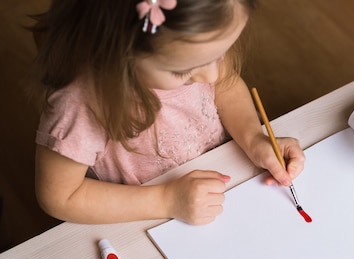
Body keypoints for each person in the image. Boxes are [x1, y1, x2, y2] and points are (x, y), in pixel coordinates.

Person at [31, 0, 305, 225]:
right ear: (118, 55)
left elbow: (225, 86)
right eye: (183, 71)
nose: (210, 75)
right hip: (140, 218)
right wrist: (166, 200)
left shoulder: (197, 52)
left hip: (218, 196)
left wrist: (253, 138)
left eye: (219, 55)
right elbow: (60, 196)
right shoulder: (82, 104)